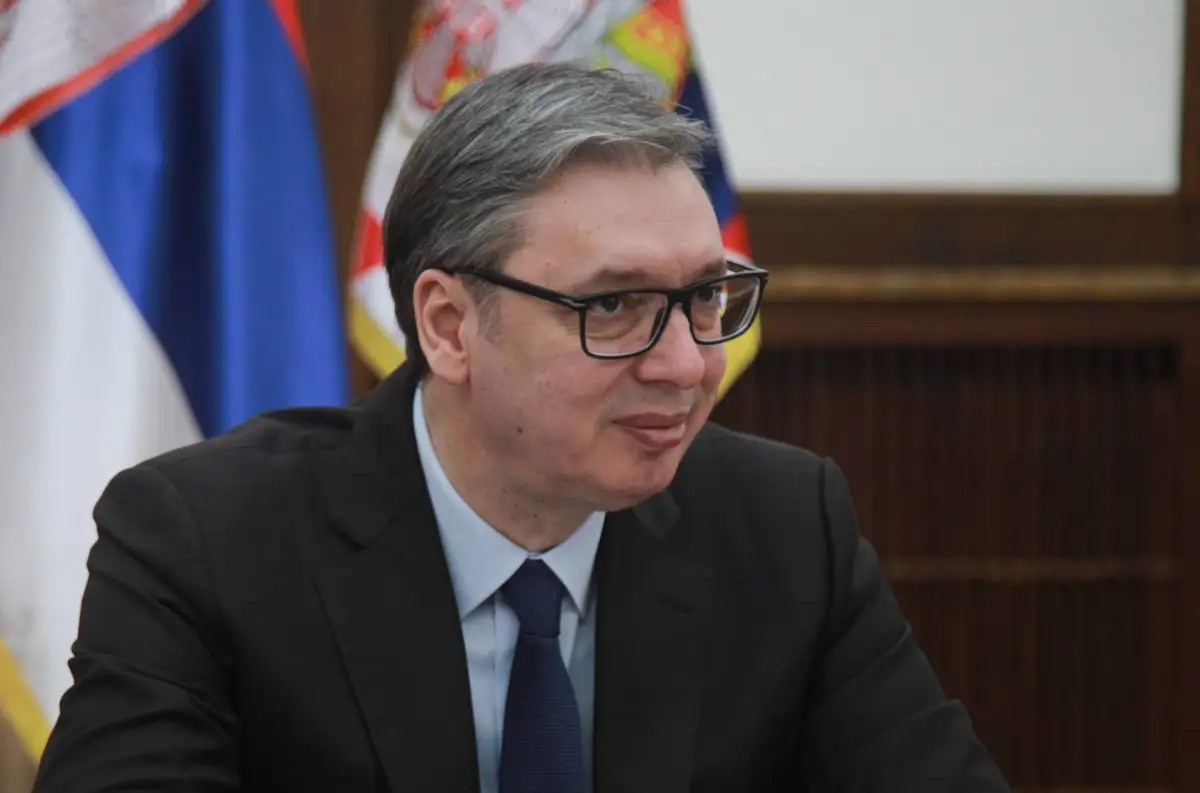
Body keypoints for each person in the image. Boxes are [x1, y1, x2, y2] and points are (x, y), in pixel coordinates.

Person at [33, 62, 1010, 792]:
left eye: (707, 297)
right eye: (614, 306)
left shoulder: (786, 527)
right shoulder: (208, 538)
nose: (686, 364)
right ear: (449, 325)